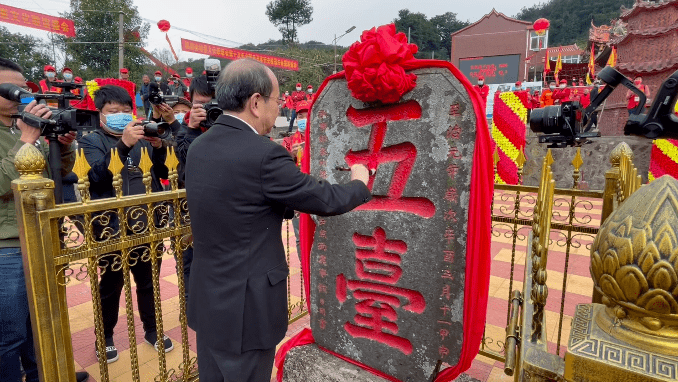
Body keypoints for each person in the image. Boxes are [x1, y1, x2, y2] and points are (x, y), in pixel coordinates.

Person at [185, 58, 371, 382]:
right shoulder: (263, 154)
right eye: (277, 100)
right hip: (247, 310)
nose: (279, 108)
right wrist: (359, 182)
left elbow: (235, 202)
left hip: (208, 298)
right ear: (256, 102)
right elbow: (324, 199)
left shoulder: (199, 146)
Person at [0, 58, 89, 382]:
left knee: (41, 322)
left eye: (23, 88)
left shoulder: (23, 127)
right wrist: (27, 140)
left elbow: (57, 175)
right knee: (9, 335)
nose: (18, 96)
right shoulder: (23, 132)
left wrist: (63, 147)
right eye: (9, 90)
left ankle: (47, 374)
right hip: (7, 247)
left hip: (40, 236)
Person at [78, 85, 172, 364]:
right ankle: (104, 337)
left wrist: (158, 147)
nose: (120, 116)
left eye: (124, 111)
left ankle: (152, 330)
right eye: (113, 111)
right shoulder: (90, 141)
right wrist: (123, 144)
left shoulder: (144, 139)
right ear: (101, 114)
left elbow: (167, 173)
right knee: (111, 283)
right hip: (110, 226)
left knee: (148, 282)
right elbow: (97, 177)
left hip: (146, 223)